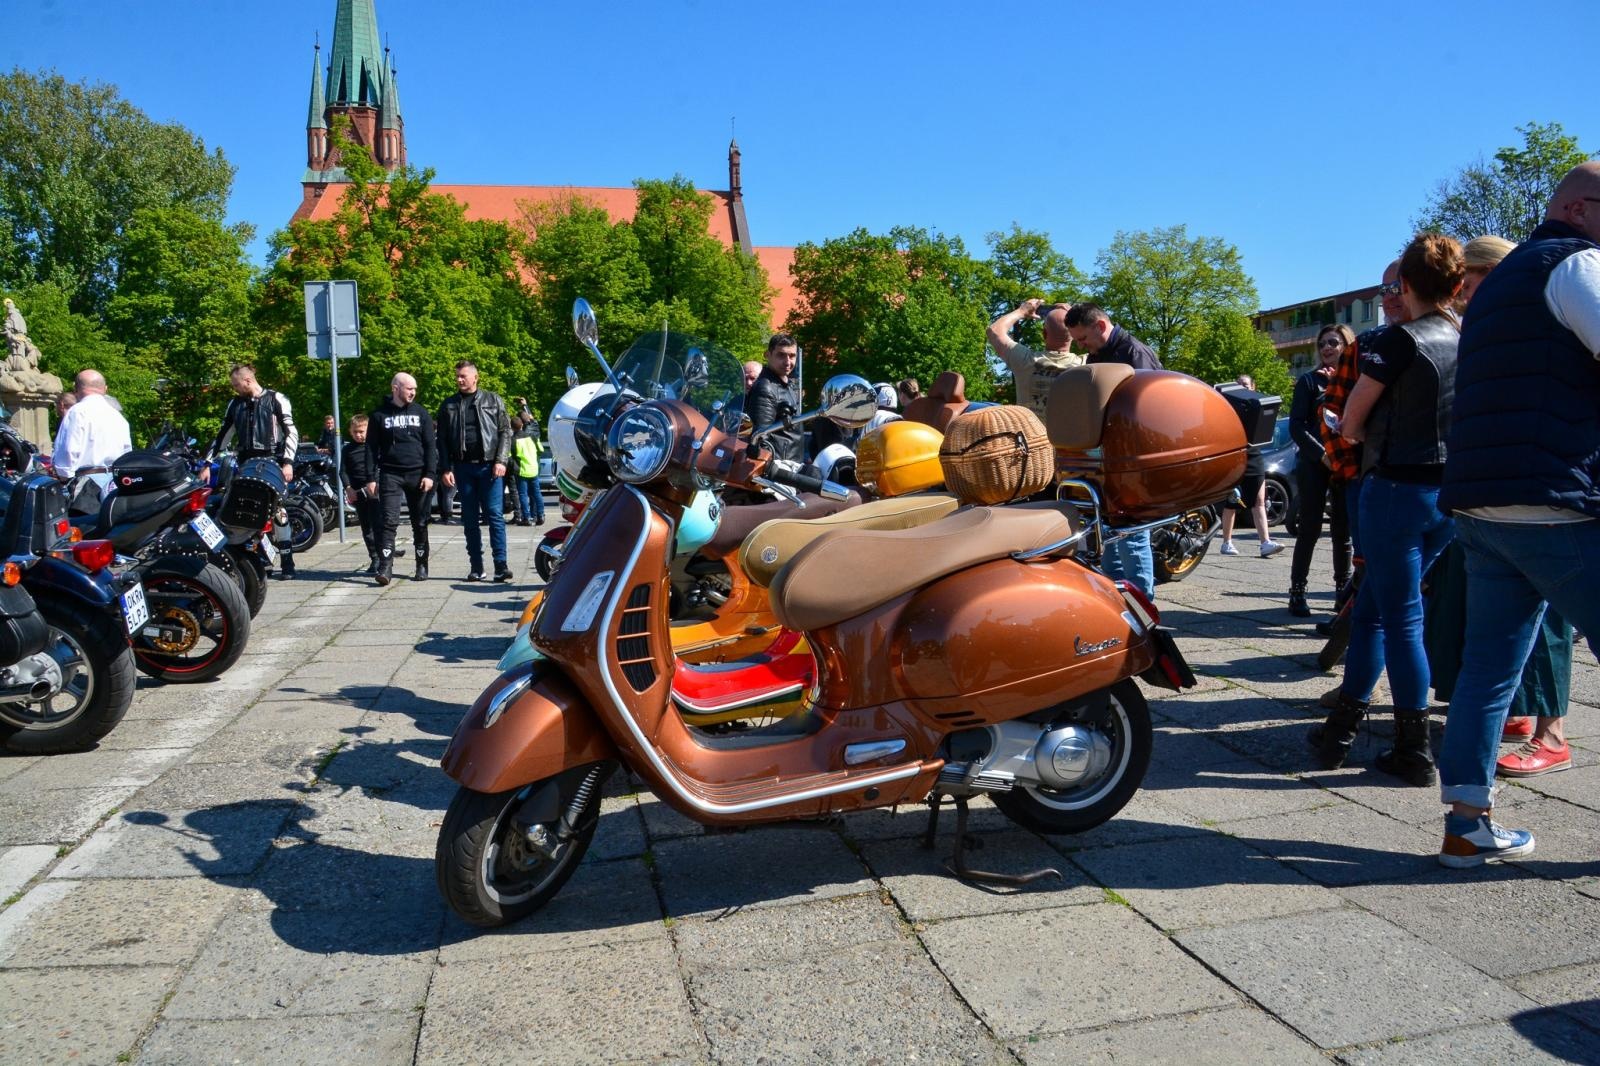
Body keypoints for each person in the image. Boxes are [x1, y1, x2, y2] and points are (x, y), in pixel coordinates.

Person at [1433, 163, 1600, 865]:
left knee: (1489, 669)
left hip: (1482, 502)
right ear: (1586, 209)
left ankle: (1466, 826)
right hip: (1554, 502)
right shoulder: (1578, 264)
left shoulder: (1499, 282)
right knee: (1494, 668)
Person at [1310, 234, 1465, 786]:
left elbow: (1350, 423)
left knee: (1399, 619)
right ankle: (1340, 731)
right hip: (1446, 495)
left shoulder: (1397, 343)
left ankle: (1412, 747)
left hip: (1396, 487)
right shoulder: (1463, 335)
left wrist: (1351, 430)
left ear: (1406, 285)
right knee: (1377, 611)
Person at [1063, 304, 1161, 597]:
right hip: (1107, 457)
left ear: (1101, 326)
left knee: (1131, 533)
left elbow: (1144, 410)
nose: (1081, 346)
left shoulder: (1135, 355)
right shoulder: (1099, 355)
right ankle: (1117, 600)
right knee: (1106, 531)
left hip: (1131, 459)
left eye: (1082, 339)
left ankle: (1142, 606)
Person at [1287, 325, 1355, 615]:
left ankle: (1343, 589)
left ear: (1346, 346)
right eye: (1322, 343)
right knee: (1310, 528)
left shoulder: (1355, 380)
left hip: (1345, 461)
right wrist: (1321, 454)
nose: (1327, 348)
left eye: (1333, 343)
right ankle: (1297, 591)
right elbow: (1296, 426)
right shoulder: (1308, 381)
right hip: (1314, 462)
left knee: (1343, 530)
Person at [208, 364, 299, 578]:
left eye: (236, 385)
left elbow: (291, 431)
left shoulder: (277, 399)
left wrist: (287, 462)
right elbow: (223, 435)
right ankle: (256, 560)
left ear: (247, 381)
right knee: (243, 508)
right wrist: (206, 462)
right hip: (245, 462)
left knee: (278, 511)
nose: (235, 389)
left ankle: (287, 562)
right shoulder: (235, 404)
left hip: (272, 460)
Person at [436, 360, 514, 582]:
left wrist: (501, 460)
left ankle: (501, 566)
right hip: (463, 467)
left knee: (495, 515)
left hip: (489, 467)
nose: (459, 380)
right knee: (469, 519)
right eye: (457, 376)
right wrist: (446, 468)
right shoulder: (448, 405)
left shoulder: (493, 399)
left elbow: (505, 432)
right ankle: (476, 567)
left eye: (463, 376)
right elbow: (441, 440)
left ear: (475, 377)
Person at [366, 373, 436, 586]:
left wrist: (430, 474)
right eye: (409, 388)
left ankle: (421, 564)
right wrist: (371, 477)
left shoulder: (421, 413)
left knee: (420, 522)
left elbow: (430, 446)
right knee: (389, 521)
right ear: (395, 388)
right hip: (390, 474)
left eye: (415, 389)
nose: (413, 392)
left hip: (418, 474)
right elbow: (371, 448)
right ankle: (385, 567)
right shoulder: (379, 415)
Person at [1218, 375, 1284, 559]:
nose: (1242, 388)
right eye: (1238, 385)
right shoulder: (1229, 406)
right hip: (1234, 456)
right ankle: (1226, 542)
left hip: (1254, 455)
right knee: (1232, 501)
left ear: (1253, 387)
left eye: (1245, 385)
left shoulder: (1258, 406)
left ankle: (1265, 543)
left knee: (1259, 500)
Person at [986, 299, 1086, 418]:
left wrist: (1021, 311)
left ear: (1044, 333)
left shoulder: (1024, 360)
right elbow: (1108, 335)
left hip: (1029, 436)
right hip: (1069, 436)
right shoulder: (1087, 366)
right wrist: (1076, 316)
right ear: (1073, 336)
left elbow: (994, 330)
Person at [51, 369, 131, 480]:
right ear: (105, 388)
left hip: (87, 482)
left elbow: (68, 451)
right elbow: (126, 454)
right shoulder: (117, 416)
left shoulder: (76, 412)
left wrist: (65, 479)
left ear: (76, 389)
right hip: (114, 481)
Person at [746, 335, 804, 462]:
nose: (788, 362)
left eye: (792, 356)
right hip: (779, 469)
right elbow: (760, 437)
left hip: (790, 465)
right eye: (781, 355)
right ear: (768, 355)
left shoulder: (786, 385)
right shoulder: (766, 387)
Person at [341, 413, 381, 573]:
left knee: (379, 525)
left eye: (362, 431)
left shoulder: (375, 446)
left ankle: (384, 553)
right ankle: (374, 557)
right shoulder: (347, 449)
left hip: (375, 490)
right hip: (357, 492)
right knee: (366, 527)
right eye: (355, 432)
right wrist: (348, 488)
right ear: (351, 432)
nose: (359, 435)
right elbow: (343, 471)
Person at [510, 414, 545, 527]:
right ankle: (541, 515)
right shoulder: (532, 437)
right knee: (537, 493)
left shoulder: (512, 440)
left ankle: (526, 518)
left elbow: (508, 457)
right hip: (533, 468)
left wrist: (514, 466)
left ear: (512, 427)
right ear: (522, 425)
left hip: (521, 470)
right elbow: (541, 450)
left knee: (523, 495)